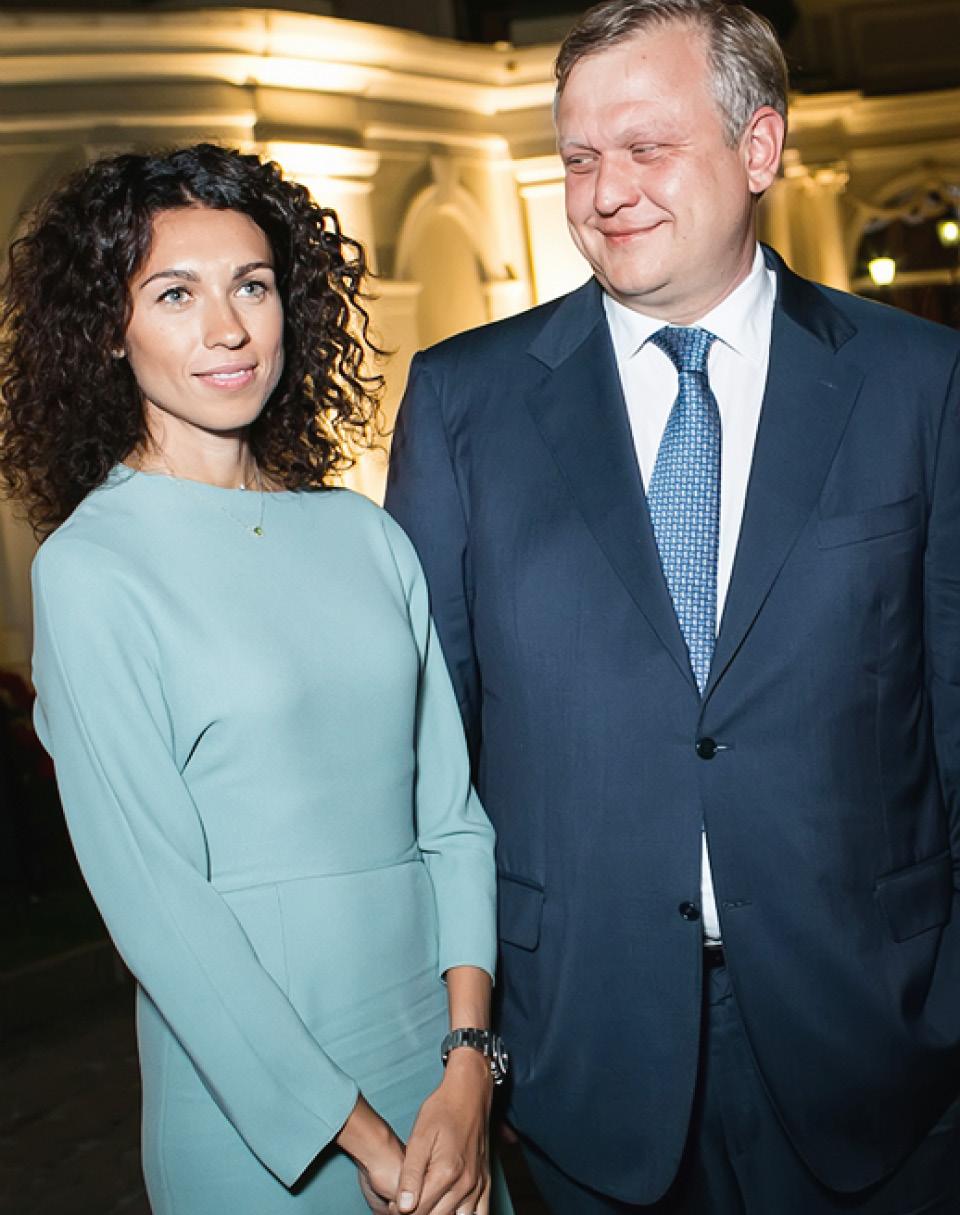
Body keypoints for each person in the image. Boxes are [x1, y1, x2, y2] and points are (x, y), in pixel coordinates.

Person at [385, 1, 960, 1211]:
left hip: (879, 1041)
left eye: (647, 148)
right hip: (581, 1052)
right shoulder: (462, 404)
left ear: (760, 147)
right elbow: (432, 762)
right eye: (579, 159)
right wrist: (468, 1040)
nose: (607, 193)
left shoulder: (920, 382)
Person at [0, 143, 514, 1215]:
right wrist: (363, 1138)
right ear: (107, 328)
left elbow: (453, 823)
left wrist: (469, 1069)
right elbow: (160, 912)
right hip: (266, 1116)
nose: (228, 329)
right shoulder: (93, 568)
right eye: (174, 293)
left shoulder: (365, 534)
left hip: (441, 1082)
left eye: (253, 285)